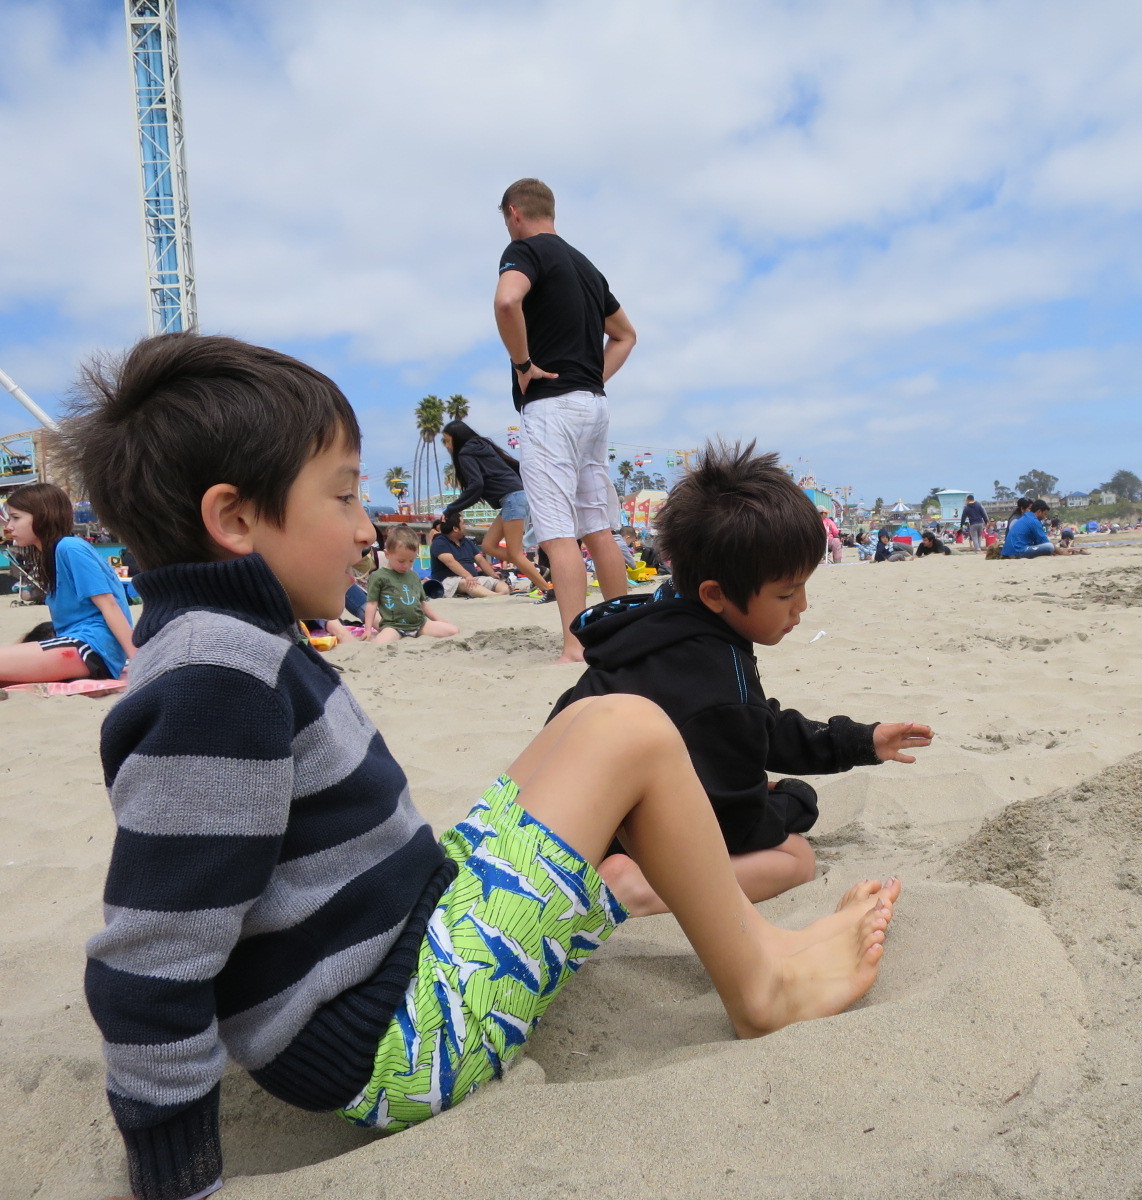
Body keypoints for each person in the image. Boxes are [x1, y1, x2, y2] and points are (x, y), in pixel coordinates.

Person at [64, 332, 898, 1200]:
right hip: (393, 1043)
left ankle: (733, 932)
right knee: (635, 729)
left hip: (406, 939)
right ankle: (762, 985)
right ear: (234, 519)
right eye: (343, 497)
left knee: (599, 719)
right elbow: (152, 957)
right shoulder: (214, 679)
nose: (365, 528)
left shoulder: (234, 645)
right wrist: (177, 1180)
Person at [546, 440, 932, 916]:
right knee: (795, 858)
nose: (802, 606)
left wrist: (859, 741)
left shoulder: (659, 621)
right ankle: (636, 889)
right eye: (787, 593)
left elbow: (754, 726)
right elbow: (740, 825)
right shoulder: (718, 678)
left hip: (559, 813)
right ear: (715, 594)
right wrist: (796, 801)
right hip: (601, 845)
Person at [493, 177, 637, 663]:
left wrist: (522, 364)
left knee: (558, 533)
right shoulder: (585, 266)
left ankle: (575, 647)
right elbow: (625, 334)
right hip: (592, 406)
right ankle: (621, 636)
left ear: (514, 212)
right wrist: (593, 376)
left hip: (551, 408)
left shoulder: (525, 251)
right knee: (598, 527)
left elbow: (507, 300)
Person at [0, 482, 135, 683]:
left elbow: (109, 604)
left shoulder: (69, 548)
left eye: (16, 518)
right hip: (79, 641)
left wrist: (138, 659)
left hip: (93, 648)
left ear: (42, 516)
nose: (9, 526)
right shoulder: (51, 554)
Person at [440, 419, 552, 596]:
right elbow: (510, 467)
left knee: (514, 554)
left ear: (457, 438)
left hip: (512, 499)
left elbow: (476, 486)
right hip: (516, 497)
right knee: (488, 546)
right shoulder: (482, 446)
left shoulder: (465, 453)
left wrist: (451, 509)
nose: (446, 445)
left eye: (447, 440)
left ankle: (546, 590)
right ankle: (537, 570)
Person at [364, 525, 460, 641]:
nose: (406, 565)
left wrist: (437, 619)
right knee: (380, 642)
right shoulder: (378, 576)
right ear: (387, 554)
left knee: (453, 631)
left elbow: (422, 603)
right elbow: (371, 604)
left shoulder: (414, 576)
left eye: (411, 561)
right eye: (401, 561)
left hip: (420, 625)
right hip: (394, 626)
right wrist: (368, 629)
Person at [428, 512, 509, 598]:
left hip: (470, 578)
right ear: (455, 528)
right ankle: (496, 595)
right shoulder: (439, 542)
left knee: (496, 582)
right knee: (467, 583)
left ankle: (502, 593)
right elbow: (451, 562)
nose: (465, 526)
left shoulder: (466, 542)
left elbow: (480, 560)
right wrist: (467, 576)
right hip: (448, 581)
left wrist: (492, 574)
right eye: (463, 524)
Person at [1001, 499, 1071, 558]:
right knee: (1050, 546)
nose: (1045, 517)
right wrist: (1062, 552)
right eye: (1044, 514)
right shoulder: (1034, 521)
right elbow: (1045, 542)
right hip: (1018, 552)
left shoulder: (1026, 517)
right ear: (1039, 511)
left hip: (1009, 552)